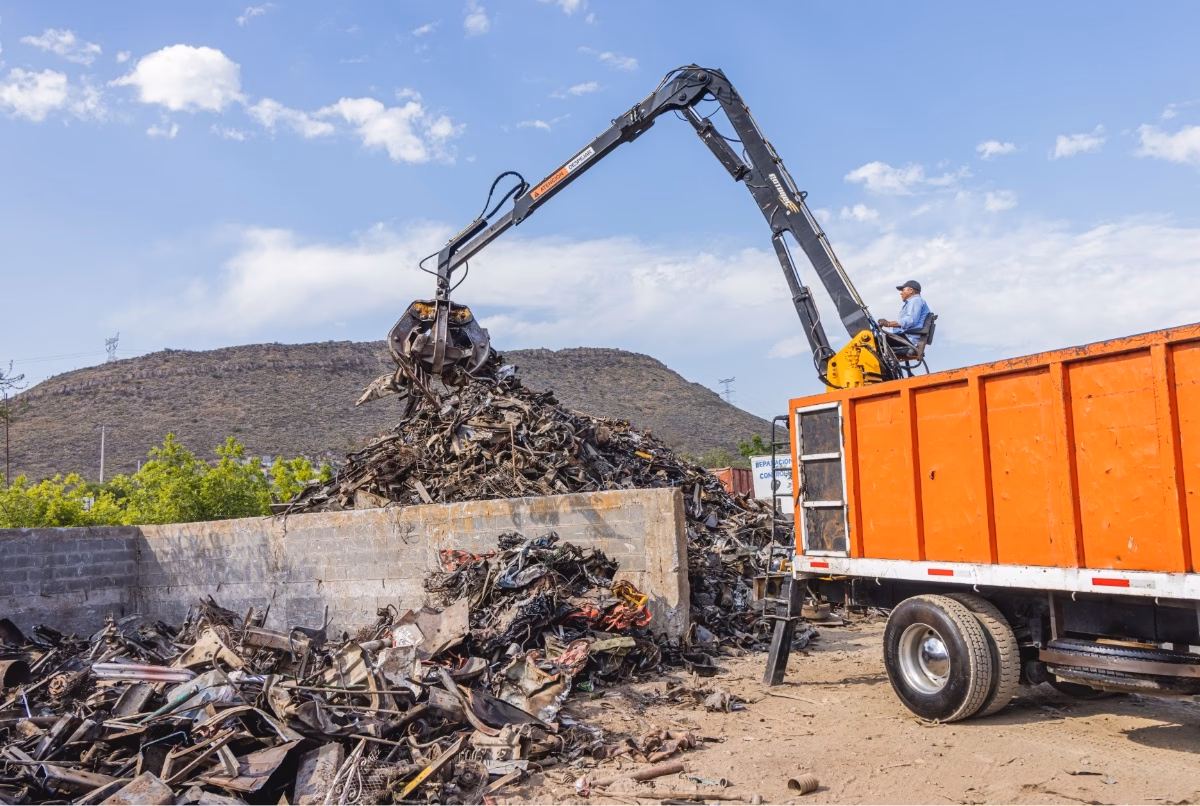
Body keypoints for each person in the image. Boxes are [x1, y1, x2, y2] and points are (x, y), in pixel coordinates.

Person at [877, 280, 930, 356]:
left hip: (909, 340)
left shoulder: (915, 300)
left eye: (903, 290)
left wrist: (888, 324)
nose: (901, 293)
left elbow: (910, 321)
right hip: (908, 337)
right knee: (876, 341)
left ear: (910, 290)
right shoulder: (915, 301)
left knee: (874, 341)